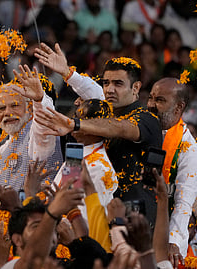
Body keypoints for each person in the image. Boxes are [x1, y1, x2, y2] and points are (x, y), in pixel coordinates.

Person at [34, 44, 162, 225]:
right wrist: (67, 73)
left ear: (136, 87)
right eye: (106, 83)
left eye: (118, 83)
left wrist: (75, 124)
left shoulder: (147, 119)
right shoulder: (104, 113)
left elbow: (121, 128)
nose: (109, 89)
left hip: (135, 219)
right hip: (93, 216)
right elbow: (94, 94)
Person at [0, 65, 62, 192]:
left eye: (14, 105)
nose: (7, 113)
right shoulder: (2, 144)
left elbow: (42, 122)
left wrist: (39, 100)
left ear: (29, 108)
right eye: (1, 108)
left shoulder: (38, 136)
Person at [147, 78, 197, 264]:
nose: (151, 105)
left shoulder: (188, 148)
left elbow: (183, 201)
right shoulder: (142, 128)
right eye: (151, 98)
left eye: (159, 100)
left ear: (178, 108)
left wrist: (173, 241)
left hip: (165, 240)